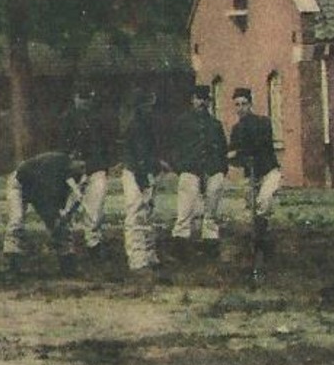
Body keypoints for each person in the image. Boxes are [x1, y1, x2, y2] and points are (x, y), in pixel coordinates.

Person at [3, 150, 91, 276]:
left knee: (62, 226)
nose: (82, 170)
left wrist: (65, 214)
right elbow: (45, 194)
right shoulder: (54, 163)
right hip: (20, 184)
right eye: (81, 166)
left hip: (40, 190)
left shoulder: (77, 177)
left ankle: (68, 264)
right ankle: (12, 263)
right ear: (73, 159)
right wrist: (55, 216)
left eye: (85, 168)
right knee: (16, 221)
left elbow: (72, 201)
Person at [226, 86, 281, 283]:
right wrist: (237, 156)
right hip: (251, 175)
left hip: (268, 172)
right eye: (237, 105)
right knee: (249, 211)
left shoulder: (262, 123)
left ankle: (262, 241)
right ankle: (255, 248)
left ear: (250, 105)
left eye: (244, 104)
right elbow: (232, 155)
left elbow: (259, 145)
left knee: (263, 204)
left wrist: (241, 152)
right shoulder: (236, 129)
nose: (240, 108)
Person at [170, 86, 229, 248]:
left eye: (205, 99)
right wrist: (180, 167)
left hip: (212, 168)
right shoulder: (182, 122)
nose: (201, 102)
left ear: (209, 102)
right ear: (192, 100)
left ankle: (210, 237)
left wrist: (222, 168)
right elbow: (174, 147)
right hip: (190, 167)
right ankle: (180, 238)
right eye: (198, 98)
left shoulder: (215, 124)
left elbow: (223, 148)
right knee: (186, 204)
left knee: (213, 200)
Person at [59, 88, 114, 252]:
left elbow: (106, 144)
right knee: (68, 208)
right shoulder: (66, 118)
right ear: (75, 98)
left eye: (88, 98)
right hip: (73, 170)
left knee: (96, 207)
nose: (85, 102)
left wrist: (105, 164)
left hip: (96, 167)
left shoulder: (99, 119)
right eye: (82, 98)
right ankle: (66, 247)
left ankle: (94, 243)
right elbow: (61, 147)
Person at [120, 89, 164, 275]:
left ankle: (149, 254)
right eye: (147, 105)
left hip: (147, 172)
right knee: (136, 213)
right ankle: (137, 259)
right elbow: (139, 157)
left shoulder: (147, 125)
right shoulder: (135, 126)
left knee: (147, 213)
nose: (150, 108)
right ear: (140, 106)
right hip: (135, 172)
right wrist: (144, 180)